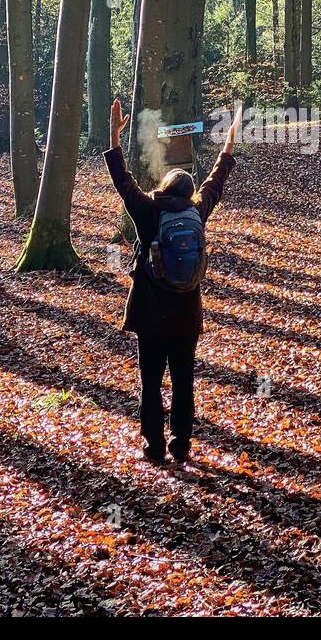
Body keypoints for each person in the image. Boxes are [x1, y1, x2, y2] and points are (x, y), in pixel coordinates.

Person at [104, 98, 240, 465]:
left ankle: (154, 447)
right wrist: (229, 143)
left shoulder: (148, 210)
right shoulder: (198, 210)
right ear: (189, 191)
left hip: (150, 315)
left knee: (150, 383)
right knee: (183, 382)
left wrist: (114, 135)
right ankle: (181, 445)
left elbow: (122, 181)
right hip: (185, 316)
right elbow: (217, 179)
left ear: (164, 186)